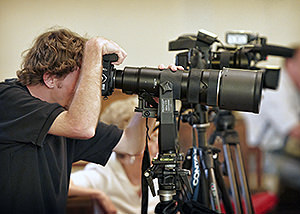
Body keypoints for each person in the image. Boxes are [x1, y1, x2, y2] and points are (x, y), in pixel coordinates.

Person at [0, 27, 179, 214]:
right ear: (50, 79)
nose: (85, 91)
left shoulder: (64, 117)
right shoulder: (7, 98)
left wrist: (152, 101)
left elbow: (131, 144)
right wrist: (94, 49)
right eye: (82, 81)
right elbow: (81, 127)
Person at [69, 96, 160, 214]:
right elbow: (63, 186)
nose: (159, 143)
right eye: (153, 137)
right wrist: (98, 195)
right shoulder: (104, 171)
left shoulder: (158, 171)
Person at [241, 46, 300, 190]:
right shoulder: (278, 87)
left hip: (274, 151)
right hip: (257, 156)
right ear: (289, 63)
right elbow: (294, 130)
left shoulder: (291, 87)